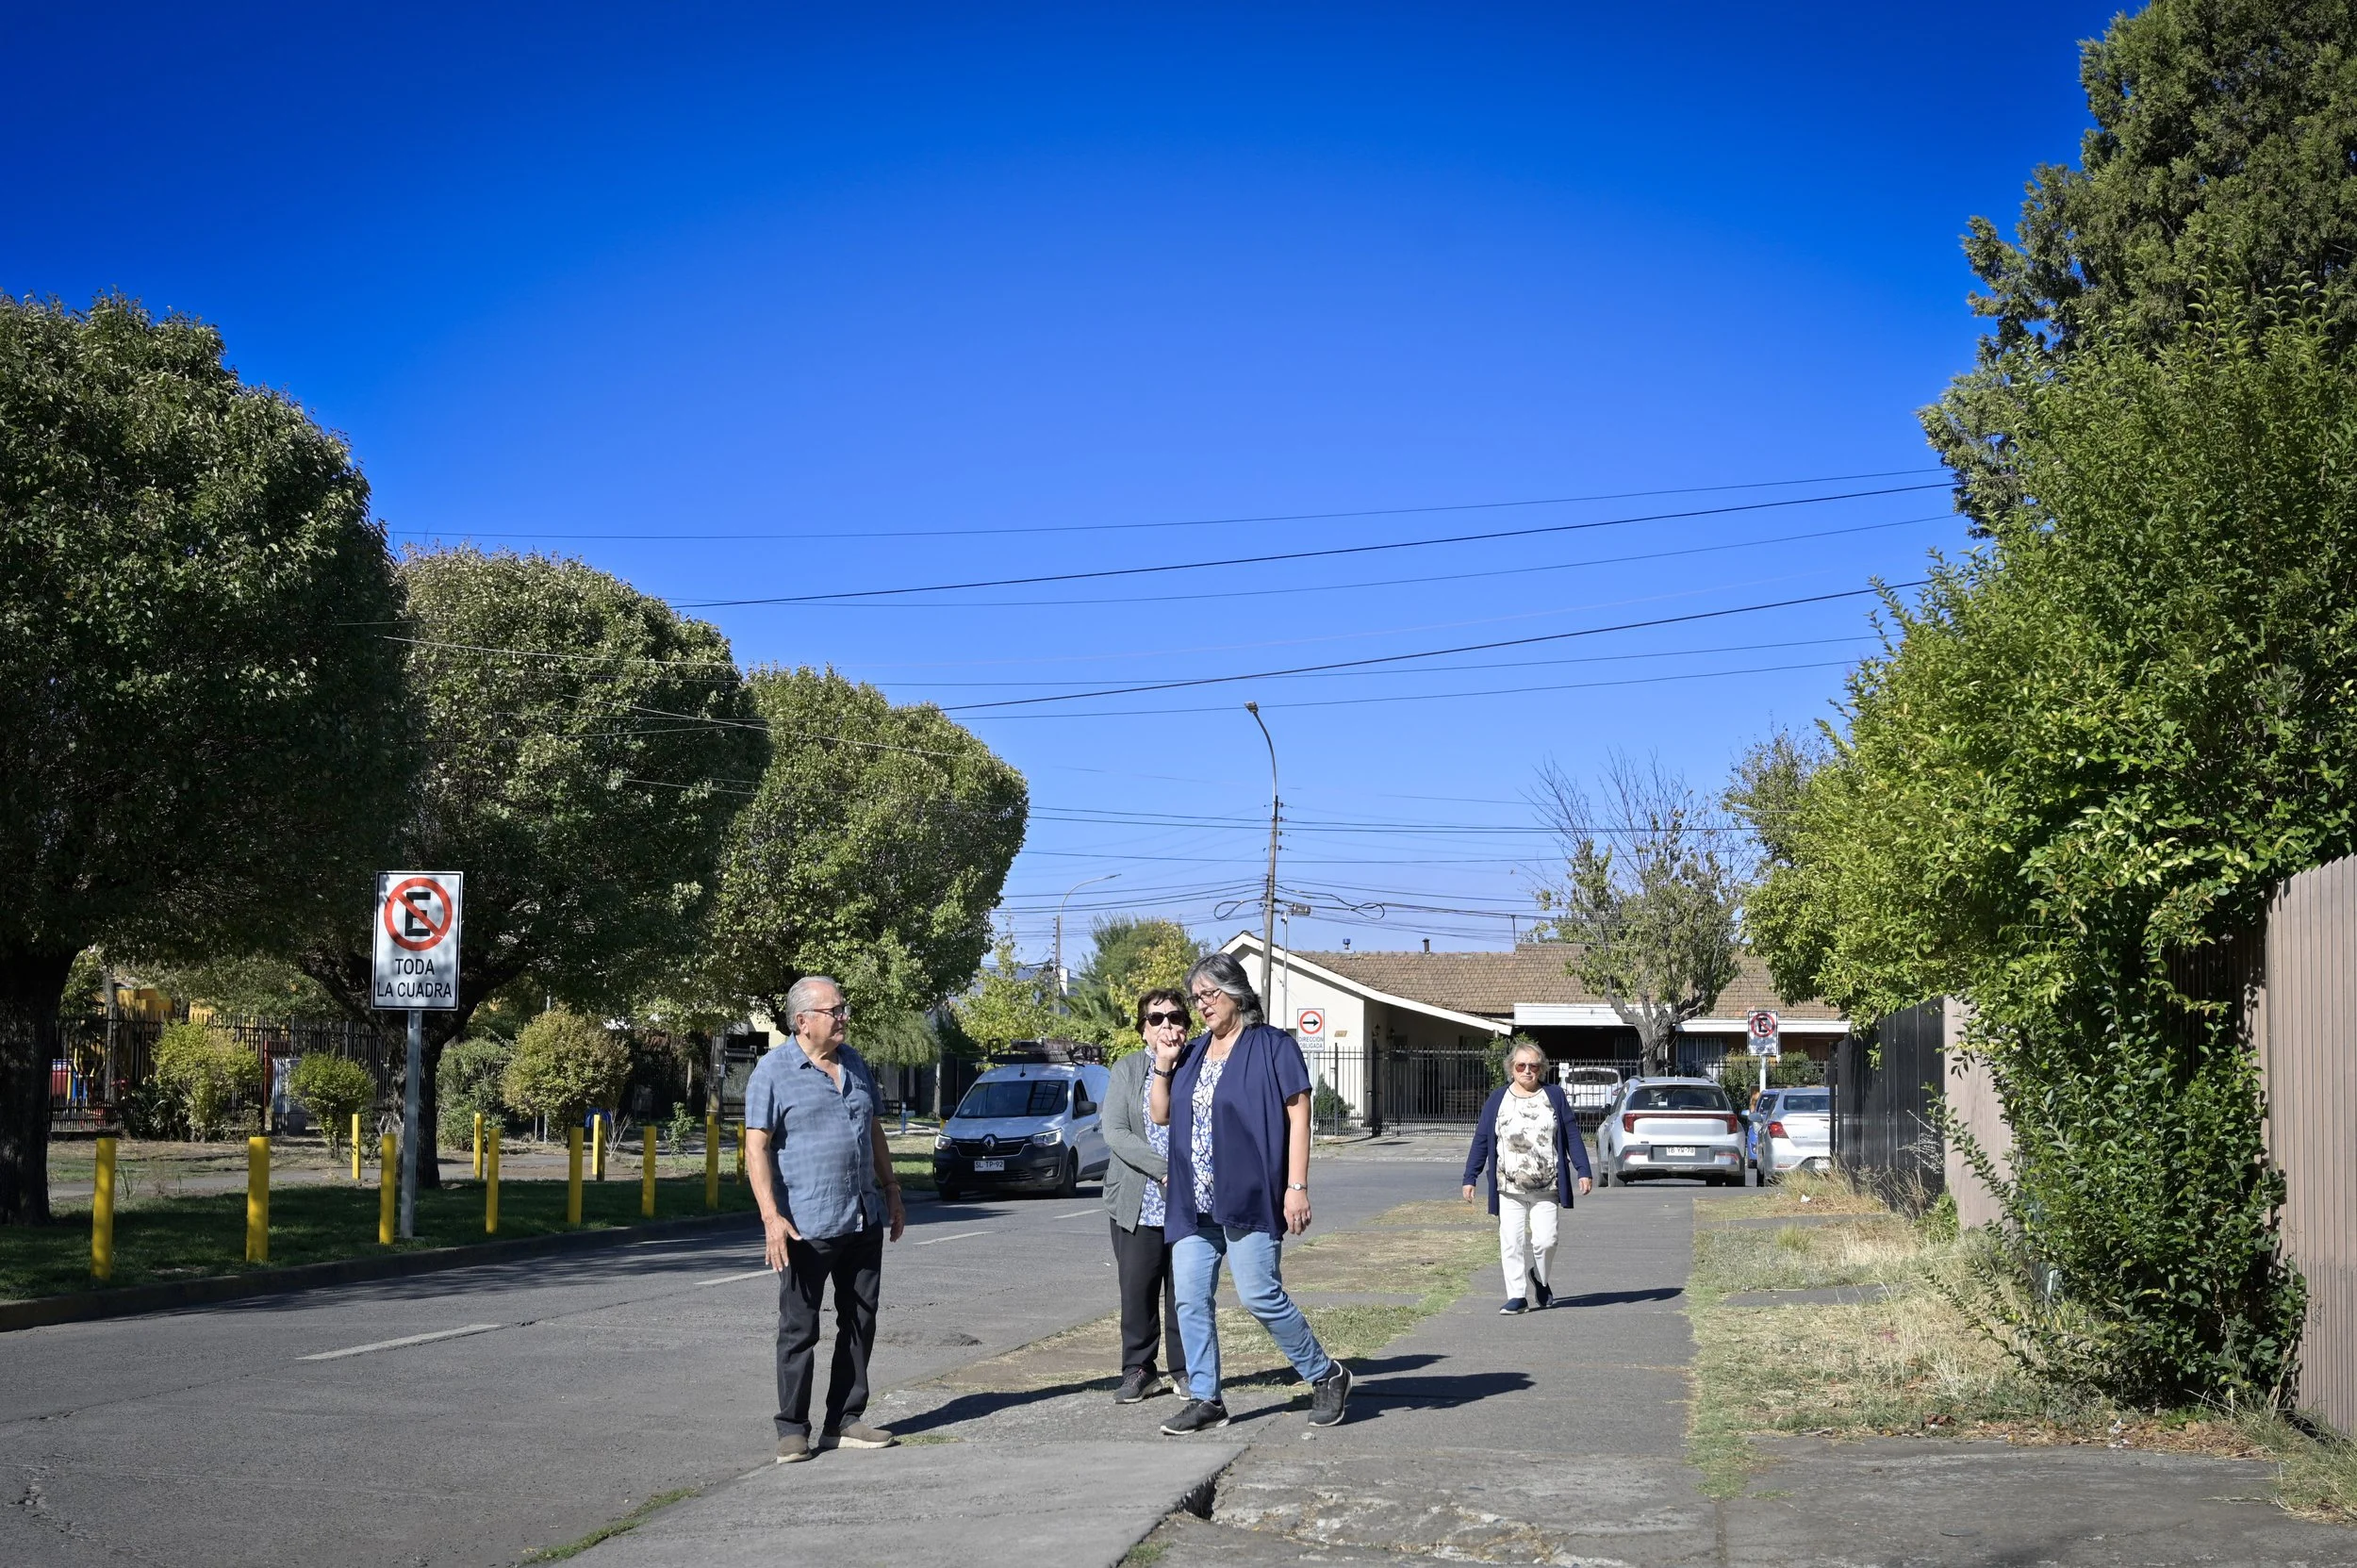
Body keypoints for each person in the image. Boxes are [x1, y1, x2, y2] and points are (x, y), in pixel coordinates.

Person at [1150, 951, 1353, 1434]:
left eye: (1209, 995)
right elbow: (1162, 1115)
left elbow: (1298, 1115)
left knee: (1260, 1294)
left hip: (1248, 1195)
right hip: (1193, 1203)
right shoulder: (1195, 1051)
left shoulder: (1272, 1046)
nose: (1202, 1005)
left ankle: (1326, 1374)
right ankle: (1206, 1398)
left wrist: (1296, 1187)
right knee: (1191, 1301)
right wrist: (1162, 1062)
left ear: (1235, 992)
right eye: (1196, 998)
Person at [745, 975, 907, 1463]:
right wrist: (771, 1217)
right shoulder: (772, 1072)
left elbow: (873, 1130)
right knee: (800, 1327)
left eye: (843, 1009)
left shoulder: (854, 1062)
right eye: (833, 1011)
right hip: (804, 1224)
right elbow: (756, 1146)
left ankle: (846, 1420)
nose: (843, 1018)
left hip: (862, 1215)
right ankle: (792, 1428)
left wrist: (892, 1190)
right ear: (802, 1020)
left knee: (860, 1319)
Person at [1100, 987, 1191, 1403]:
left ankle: (1186, 1370)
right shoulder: (1127, 1069)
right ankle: (1139, 1370)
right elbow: (1115, 1131)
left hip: (1190, 1202)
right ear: (1143, 1031)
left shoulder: (1198, 1066)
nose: (1166, 1025)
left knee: (1185, 1292)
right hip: (1139, 1203)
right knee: (1137, 1291)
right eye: (1156, 1019)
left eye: (1174, 1017)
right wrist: (1163, 1170)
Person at [1460, 1040, 1592, 1313]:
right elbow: (1483, 1139)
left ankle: (1540, 1279)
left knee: (1547, 1240)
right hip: (1508, 1185)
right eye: (1521, 1065)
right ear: (1512, 1068)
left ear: (1541, 1069)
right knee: (1512, 1241)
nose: (1527, 1070)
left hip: (1547, 1184)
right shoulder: (1498, 1098)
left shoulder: (1554, 1096)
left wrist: (1583, 1169)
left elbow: (1570, 1134)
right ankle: (1517, 1295)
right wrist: (1470, 1176)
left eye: (1533, 1066)